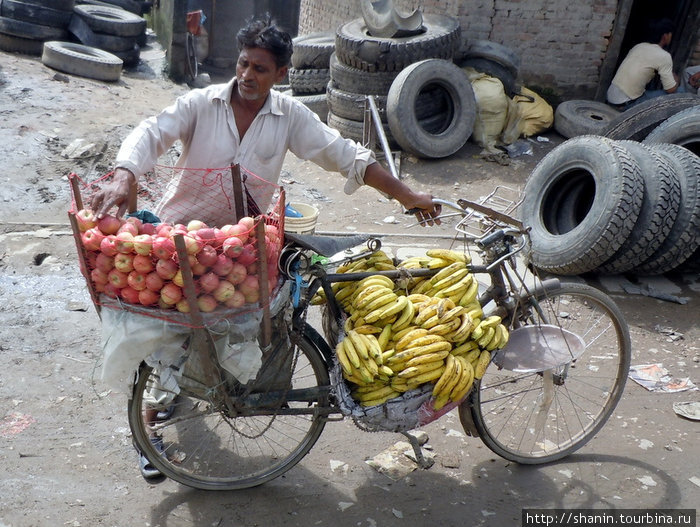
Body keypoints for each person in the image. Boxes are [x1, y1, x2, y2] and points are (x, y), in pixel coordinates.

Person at [90, 15, 441, 480]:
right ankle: (150, 426)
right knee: (165, 334)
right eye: (243, 64)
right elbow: (153, 131)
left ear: (280, 74)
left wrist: (408, 196)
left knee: (235, 327)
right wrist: (126, 172)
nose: (247, 75)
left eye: (260, 68)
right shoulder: (202, 103)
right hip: (180, 239)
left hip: (239, 249)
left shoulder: (288, 115)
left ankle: (207, 390)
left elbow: (345, 156)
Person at [606, 18, 680, 109]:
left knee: (651, 82)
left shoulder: (639, 46)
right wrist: (676, 80)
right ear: (665, 36)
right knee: (680, 92)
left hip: (611, 97)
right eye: (670, 34)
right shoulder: (664, 56)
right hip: (626, 103)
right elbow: (671, 89)